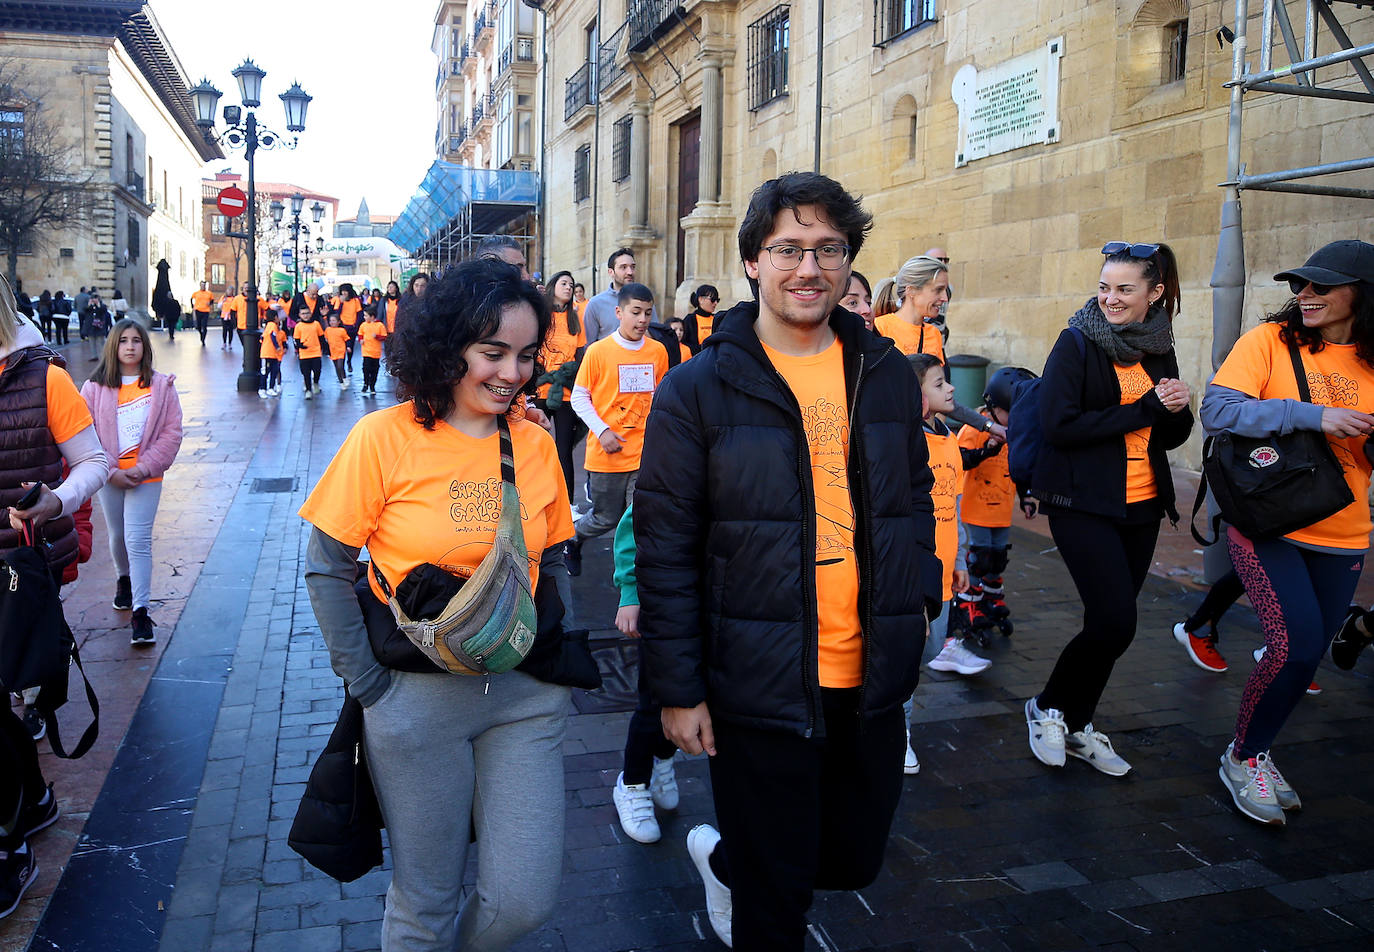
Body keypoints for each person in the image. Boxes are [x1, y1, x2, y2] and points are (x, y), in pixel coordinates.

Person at [636, 172, 940, 949]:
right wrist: (678, 688)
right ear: (751, 263)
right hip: (758, 680)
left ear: (849, 262)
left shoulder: (885, 377)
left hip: (869, 672)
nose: (810, 268)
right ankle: (755, 882)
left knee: (850, 860)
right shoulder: (696, 389)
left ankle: (733, 864)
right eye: (789, 249)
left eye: (828, 249)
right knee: (779, 907)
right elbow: (664, 547)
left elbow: (911, 493)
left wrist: (920, 598)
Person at [299, 258, 576, 951]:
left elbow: (559, 559)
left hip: (526, 698)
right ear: (448, 346)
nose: (510, 372)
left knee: (523, 901)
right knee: (425, 905)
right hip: (415, 707)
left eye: (523, 355)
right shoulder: (383, 438)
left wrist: (551, 645)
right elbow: (327, 567)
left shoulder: (538, 445)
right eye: (492, 353)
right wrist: (368, 688)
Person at [1202, 239, 1374, 825]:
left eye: (1321, 286)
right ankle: (1242, 757)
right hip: (1269, 519)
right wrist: (1313, 415)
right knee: (1293, 645)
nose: (1305, 294)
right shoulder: (1270, 343)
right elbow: (1219, 412)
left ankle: (1258, 750)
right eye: (1300, 284)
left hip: (1345, 531)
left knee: (1307, 658)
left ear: (1361, 296)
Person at [1024, 240, 1193, 779]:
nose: (1111, 299)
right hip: (1083, 502)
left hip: (1142, 504)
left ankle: (1076, 721)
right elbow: (1060, 426)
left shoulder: (1156, 344)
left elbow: (1170, 435)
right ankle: (1047, 706)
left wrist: (1175, 410)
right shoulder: (1076, 343)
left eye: (1124, 289)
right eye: (1104, 287)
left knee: (1111, 625)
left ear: (1154, 293)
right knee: (1117, 619)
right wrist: (1145, 407)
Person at [0, 273, 109, 919]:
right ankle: (34, 799)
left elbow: (93, 461)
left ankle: (8, 842)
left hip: (19, 565)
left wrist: (56, 500)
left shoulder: (45, 377)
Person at [80, 319, 183, 645]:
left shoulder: (161, 386)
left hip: (146, 476)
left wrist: (144, 467)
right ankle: (123, 579)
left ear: (144, 346)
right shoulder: (93, 389)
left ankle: (141, 611)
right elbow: (86, 434)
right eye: (123, 340)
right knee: (118, 535)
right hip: (109, 476)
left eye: (136, 340)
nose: (129, 346)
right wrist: (111, 470)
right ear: (113, 345)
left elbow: (171, 433)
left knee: (138, 540)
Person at [564, 282, 669, 576]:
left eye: (648, 313)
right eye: (636, 312)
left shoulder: (658, 351)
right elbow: (579, 396)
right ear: (619, 312)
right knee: (605, 518)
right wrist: (603, 431)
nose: (642, 320)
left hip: (644, 453)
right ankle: (573, 538)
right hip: (607, 453)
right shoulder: (598, 352)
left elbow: (660, 396)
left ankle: (629, 580)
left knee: (639, 519)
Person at [909, 353, 987, 682]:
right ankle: (902, 732)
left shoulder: (949, 439)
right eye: (940, 384)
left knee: (929, 653)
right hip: (915, 577)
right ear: (919, 397)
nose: (952, 388)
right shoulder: (908, 443)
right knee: (905, 671)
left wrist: (959, 561)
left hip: (943, 576)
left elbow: (952, 509)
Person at [608, 503, 680, 843]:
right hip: (664, 606)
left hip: (708, 606)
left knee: (686, 696)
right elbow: (634, 526)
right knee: (652, 703)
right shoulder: (672, 461)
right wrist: (630, 593)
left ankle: (663, 759)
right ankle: (634, 782)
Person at [953, 367, 1029, 641]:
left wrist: (1027, 495)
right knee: (980, 558)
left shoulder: (1014, 431)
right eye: (1013, 412)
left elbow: (1020, 466)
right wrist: (989, 450)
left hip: (1002, 510)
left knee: (997, 559)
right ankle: (968, 602)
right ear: (995, 407)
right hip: (975, 510)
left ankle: (991, 597)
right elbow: (961, 458)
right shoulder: (976, 427)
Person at [533, 271, 585, 501]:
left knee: (564, 450)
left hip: (565, 392)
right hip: (541, 388)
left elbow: (580, 354)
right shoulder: (540, 316)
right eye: (563, 283)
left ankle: (568, 502)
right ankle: (536, 496)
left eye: (571, 285)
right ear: (553, 285)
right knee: (535, 446)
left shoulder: (575, 318)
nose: (568, 287)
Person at [582, 248, 656, 343]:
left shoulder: (645, 299)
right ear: (611, 272)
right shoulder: (595, 303)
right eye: (623, 267)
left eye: (633, 267)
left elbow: (655, 333)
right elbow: (589, 344)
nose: (630, 272)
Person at [293, 305, 325, 399]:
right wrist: (300, 346)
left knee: (317, 370)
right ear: (300, 315)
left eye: (307, 313)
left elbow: (321, 337)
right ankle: (308, 390)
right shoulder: (298, 326)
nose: (305, 315)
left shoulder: (316, 324)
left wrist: (325, 348)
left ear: (310, 313)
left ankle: (315, 382)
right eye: (303, 314)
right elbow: (296, 340)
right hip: (304, 354)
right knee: (306, 373)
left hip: (316, 352)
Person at [357, 304, 387, 396]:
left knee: (374, 369)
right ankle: (365, 384)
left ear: (372, 316)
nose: (364, 317)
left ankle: (372, 385)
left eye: (366, 315)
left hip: (376, 352)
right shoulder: (363, 325)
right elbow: (360, 333)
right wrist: (360, 339)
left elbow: (384, 337)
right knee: (366, 368)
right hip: (366, 351)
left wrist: (377, 337)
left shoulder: (380, 325)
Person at [682, 284, 719, 353]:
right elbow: (684, 343)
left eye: (717, 300)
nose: (715, 303)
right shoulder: (690, 320)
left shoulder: (717, 319)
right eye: (713, 300)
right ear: (701, 299)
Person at [334, 284, 362, 375]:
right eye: (342, 291)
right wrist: (341, 303)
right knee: (343, 347)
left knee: (350, 347)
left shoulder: (355, 300)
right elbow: (336, 313)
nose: (344, 293)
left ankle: (349, 361)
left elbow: (359, 314)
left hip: (352, 327)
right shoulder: (339, 300)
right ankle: (342, 366)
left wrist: (356, 325)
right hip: (342, 327)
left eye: (346, 291)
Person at [259, 308, 286, 398]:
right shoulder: (272, 325)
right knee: (266, 372)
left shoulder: (268, 326)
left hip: (272, 353)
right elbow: (272, 336)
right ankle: (262, 389)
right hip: (268, 353)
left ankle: (270, 388)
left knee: (273, 371)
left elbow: (262, 338)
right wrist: (277, 347)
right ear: (275, 317)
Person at [325, 314, 350, 390]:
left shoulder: (341, 330)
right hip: (333, 351)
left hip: (341, 350)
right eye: (330, 321)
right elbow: (325, 340)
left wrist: (348, 347)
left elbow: (347, 339)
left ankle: (344, 377)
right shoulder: (328, 330)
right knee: (336, 367)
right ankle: (341, 382)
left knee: (340, 366)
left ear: (338, 322)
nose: (332, 322)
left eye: (334, 320)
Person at [191, 282, 215, 347]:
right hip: (198, 310)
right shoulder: (196, 293)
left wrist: (209, 303)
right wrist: (192, 306)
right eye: (202, 285)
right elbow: (191, 299)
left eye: (204, 285)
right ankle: (201, 334)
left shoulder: (209, 293)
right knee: (198, 326)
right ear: (200, 286)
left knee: (204, 326)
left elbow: (212, 300)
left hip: (206, 311)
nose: (203, 287)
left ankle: (203, 339)